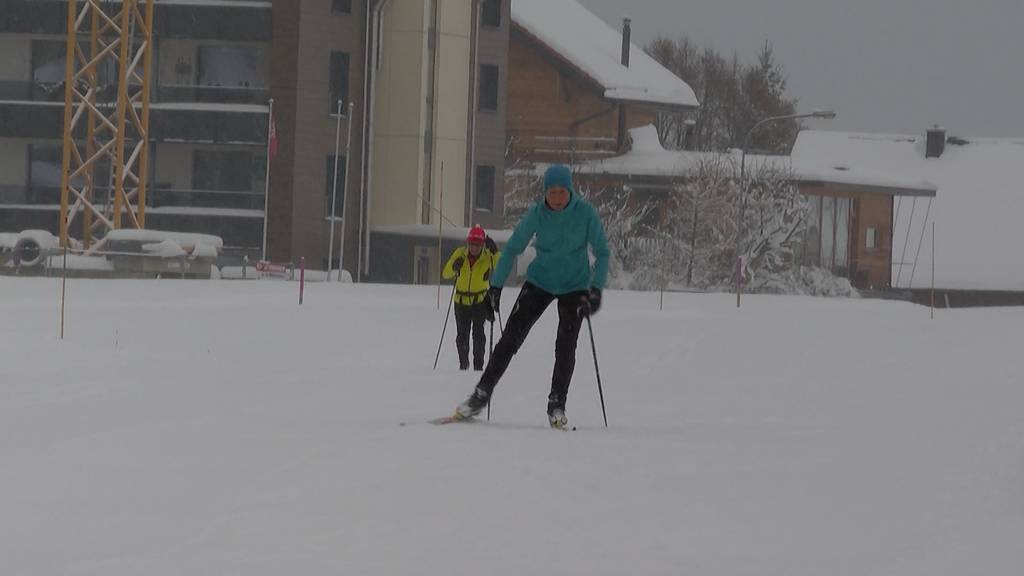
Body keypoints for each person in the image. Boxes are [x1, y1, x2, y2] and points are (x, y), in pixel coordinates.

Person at [453, 164, 609, 428]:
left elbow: (602, 252)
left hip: (575, 286)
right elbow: (513, 248)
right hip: (541, 281)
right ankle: (481, 394)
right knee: (511, 338)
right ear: (545, 193)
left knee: (566, 345)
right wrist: (495, 287)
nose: (557, 198)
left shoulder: (585, 214)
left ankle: (557, 404)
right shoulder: (537, 214)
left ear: (570, 191)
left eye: (562, 192)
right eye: (552, 192)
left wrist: (596, 288)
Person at [441, 225, 500, 371]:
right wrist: (454, 267)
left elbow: (501, 267)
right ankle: (463, 364)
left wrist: (496, 252)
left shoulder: (488, 256)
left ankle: (478, 367)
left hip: (480, 301)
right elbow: (446, 274)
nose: (474, 247)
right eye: (472, 243)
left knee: (479, 335)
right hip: (460, 301)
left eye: (477, 244)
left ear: (482, 245)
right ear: (468, 242)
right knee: (462, 335)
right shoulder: (460, 254)